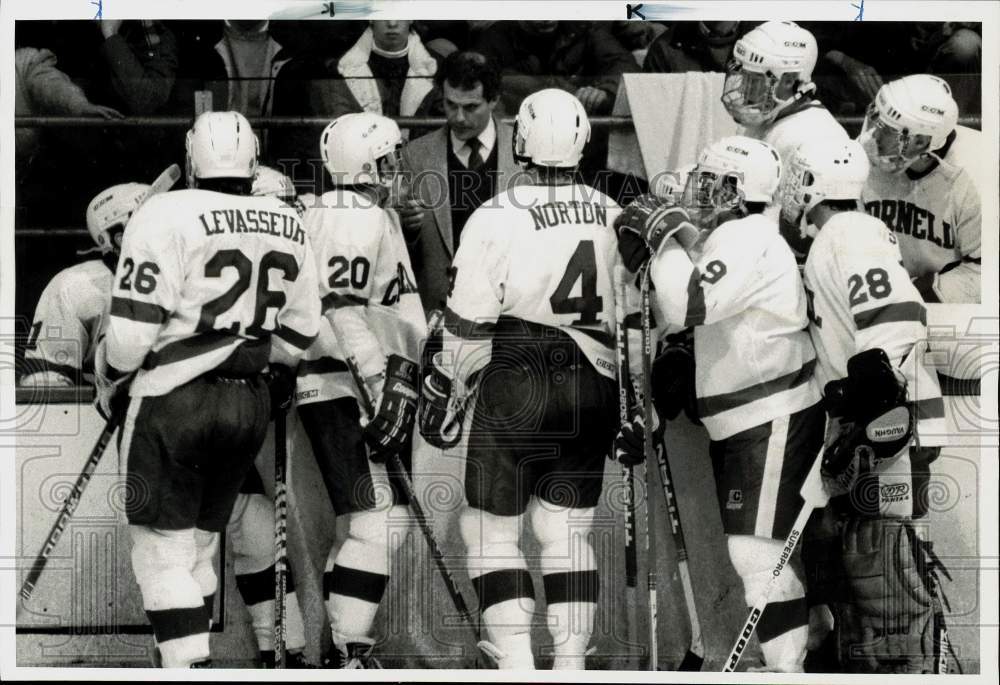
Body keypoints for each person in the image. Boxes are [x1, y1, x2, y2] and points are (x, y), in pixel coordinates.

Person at [97, 110, 321, 668]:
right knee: (200, 540)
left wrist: (110, 369)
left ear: (193, 157)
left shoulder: (164, 212)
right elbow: (301, 329)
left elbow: (128, 340)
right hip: (248, 399)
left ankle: (187, 667)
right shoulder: (287, 219)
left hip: (175, 395)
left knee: (161, 548)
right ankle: (192, 657)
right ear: (251, 158)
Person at [419, 89, 623, 670]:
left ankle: (513, 662)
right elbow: (635, 315)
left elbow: (467, 321)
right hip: (593, 378)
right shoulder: (611, 211)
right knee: (566, 534)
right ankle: (571, 665)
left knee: (489, 530)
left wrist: (449, 386)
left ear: (522, 139)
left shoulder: (498, 212)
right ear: (583, 138)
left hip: (520, 374)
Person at [613, 136, 826, 672]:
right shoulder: (737, 235)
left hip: (772, 413)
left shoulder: (746, 237)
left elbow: (689, 303)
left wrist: (663, 244)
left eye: (709, 181)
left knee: (757, 556)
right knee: (762, 554)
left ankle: (787, 670)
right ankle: (795, 655)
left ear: (735, 190)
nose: (697, 191)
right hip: (748, 419)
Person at [779, 138, 949, 673]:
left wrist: (868, 414)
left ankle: (914, 674)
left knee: (882, 576)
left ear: (810, 184)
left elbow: (900, 315)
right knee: (854, 576)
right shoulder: (836, 235)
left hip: (890, 430)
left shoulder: (848, 233)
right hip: (868, 427)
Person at [295, 112, 426, 668]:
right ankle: (350, 652)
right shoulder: (353, 213)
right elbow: (340, 308)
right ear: (369, 163)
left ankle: (339, 645)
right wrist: (378, 380)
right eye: (391, 157)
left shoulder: (349, 209)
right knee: (381, 520)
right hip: (346, 383)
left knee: (362, 520)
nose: (399, 168)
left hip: (348, 380)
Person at [398, 50, 521, 314]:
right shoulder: (415, 155)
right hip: (439, 311)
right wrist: (407, 227)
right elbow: (400, 249)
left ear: (494, 100)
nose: (459, 118)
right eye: (450, 105)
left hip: (510, 309)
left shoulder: (524, 153)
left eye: (470, 107)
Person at [721, 20, 849, 260]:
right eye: (744, 78)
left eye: (755, 81)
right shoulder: (764, 120)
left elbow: (819, 241)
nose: (745, 90)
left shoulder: (819, 138)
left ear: (789, 80)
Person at [858, 74, 981, 303]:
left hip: (941, 307)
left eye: (887, 129)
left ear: (920, 142)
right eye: (877, 120)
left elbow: (985, 270)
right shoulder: (868, 152)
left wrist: (916, 298)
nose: (874, 135)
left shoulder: (977, 172)